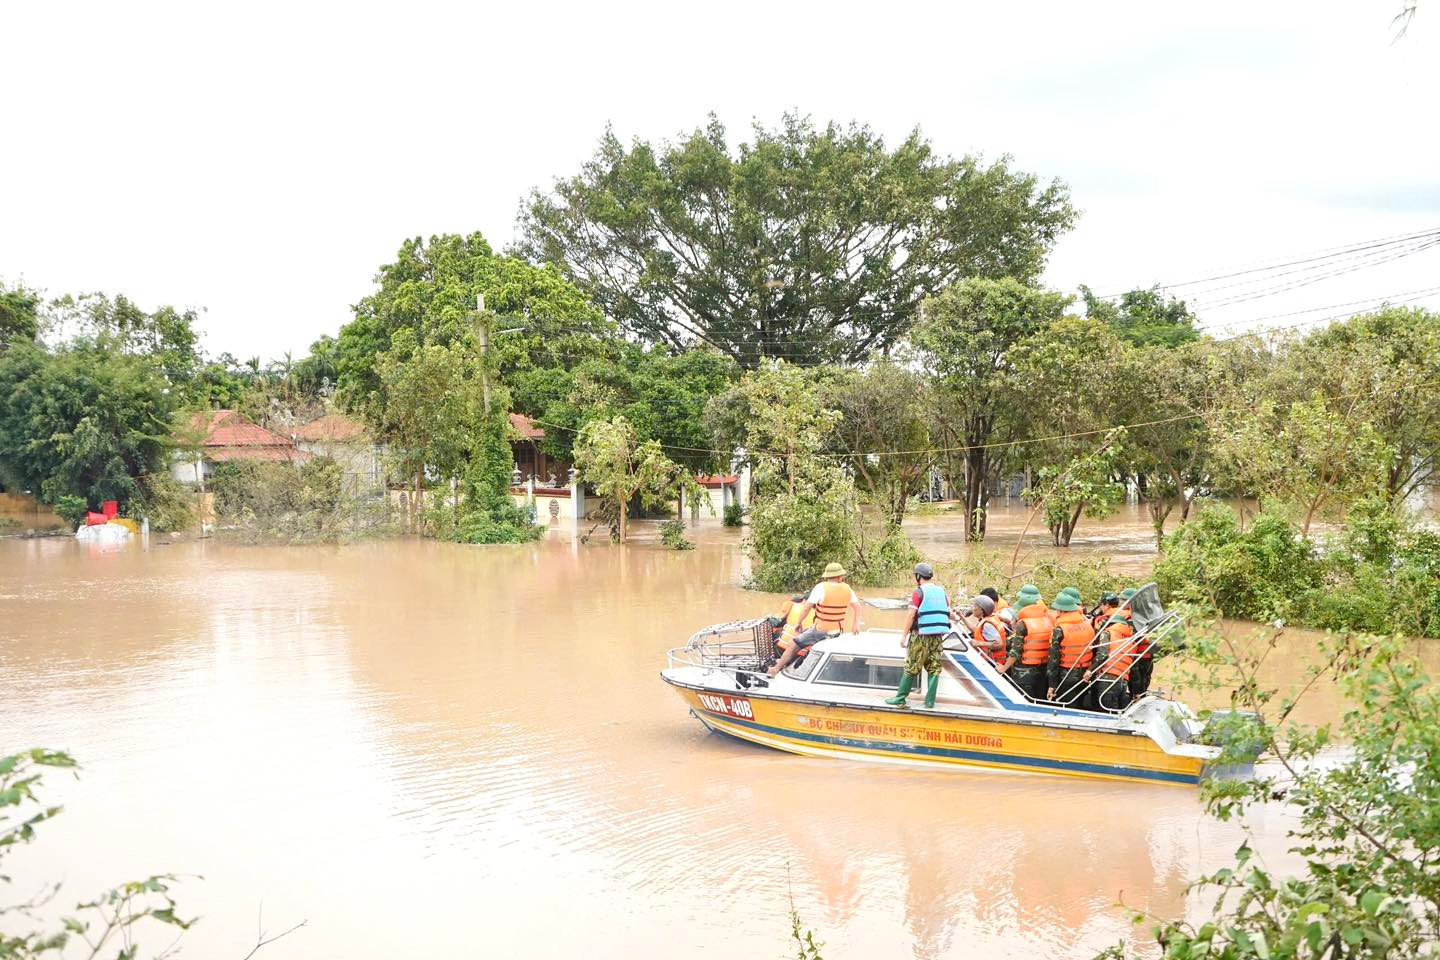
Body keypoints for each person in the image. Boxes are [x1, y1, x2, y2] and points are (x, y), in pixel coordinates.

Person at [767, 562, 861, 676]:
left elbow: (807, 608)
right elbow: (857, 607)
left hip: (820, 630)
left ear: (827, 577)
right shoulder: (848, 589)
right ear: (840, 576)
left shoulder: (821, 587)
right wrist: (856, 624)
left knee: (794, 644)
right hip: (837, 630)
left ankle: (775, 669)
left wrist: (798, 622)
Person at [885, 562, 951, 708]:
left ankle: (900, 698)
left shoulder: (919, 592)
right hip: (938, 636)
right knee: (934, 666)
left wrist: (903, 636)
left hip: (921, 635)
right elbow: (948, 612)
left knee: (912, 665)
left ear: (918, 576)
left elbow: (911, 615)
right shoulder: (942, 592)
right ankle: (929, 702)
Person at [1046, 587, 1096, 708]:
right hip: (1085, 674)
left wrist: (1052, 685)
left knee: (1065, 706)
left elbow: (1053, 660)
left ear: (1061, 610)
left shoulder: (1059, 629)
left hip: (1066, 675)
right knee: (1080, 704)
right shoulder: (1088, 624)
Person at [1002, 584, 1053, 700]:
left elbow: (1015, 651)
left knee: (1024, 700)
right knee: (1039, 700)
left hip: (1023, 673)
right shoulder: (1046, 620)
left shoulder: (1023, 624)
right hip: (1042, 671)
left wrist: (1004, 668)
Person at [1090, 602, 1137, 712]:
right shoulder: (1130, 640)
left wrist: (1090, 671)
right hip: (1122, 681)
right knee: (1116, 711)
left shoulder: (1108, 633)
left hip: (1108, 679)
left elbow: (1102, 654)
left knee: (1105, 712)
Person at [1120, 587, 1157, 698]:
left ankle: (1136, 699)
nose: (1120, 602)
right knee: (1143, 682)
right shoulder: (1146, 613)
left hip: (1138, 656)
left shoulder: (1133, 617)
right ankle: (1139, 698)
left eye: (1123, 600)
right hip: (1148, 656)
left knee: (1136, 684)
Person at [966, 595, 1007, 667]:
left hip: (992, 662)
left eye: (975, 606)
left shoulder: (987, 625)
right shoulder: (989, 619)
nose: (973, 608)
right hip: (993, 660)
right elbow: (975, 630)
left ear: (981, 610)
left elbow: (999, 644)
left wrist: (979, 643)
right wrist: (961, 616)